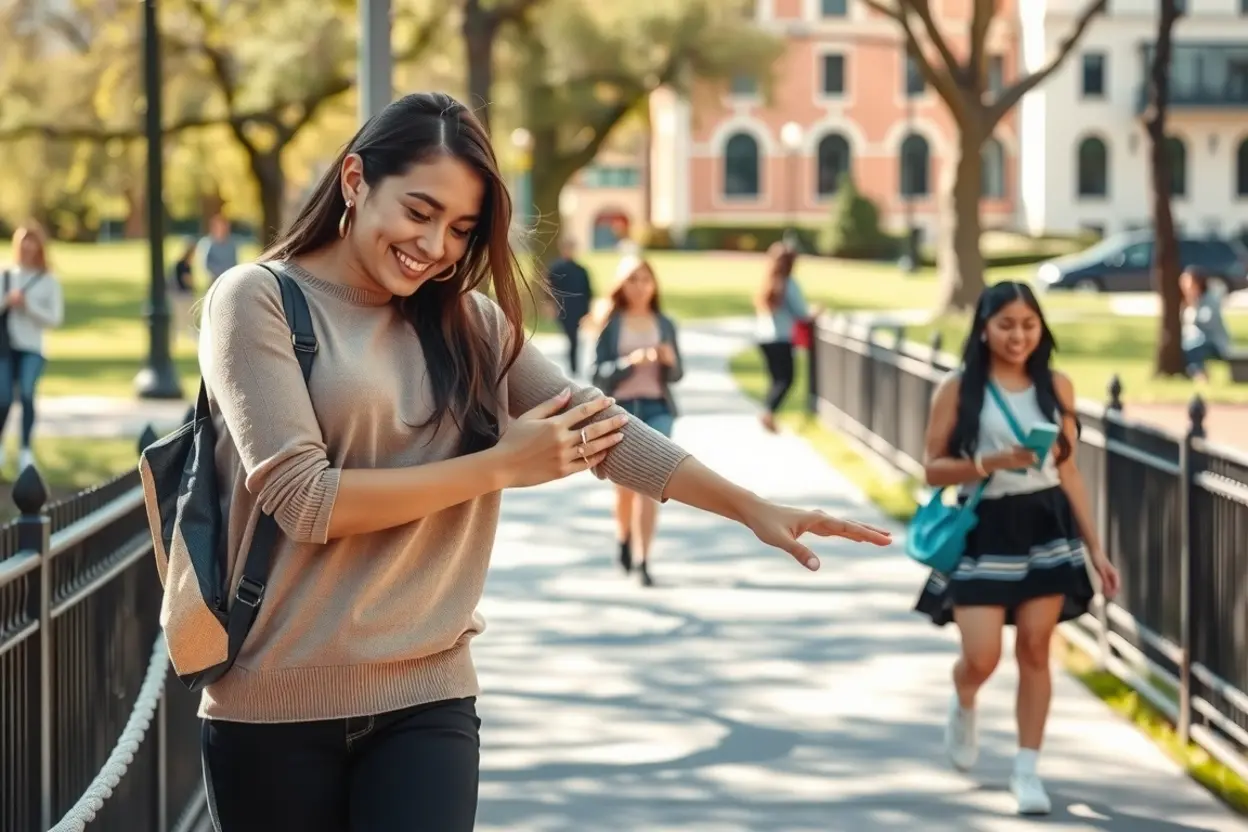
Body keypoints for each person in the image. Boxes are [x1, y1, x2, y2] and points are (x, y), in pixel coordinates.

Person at [193, 92, 891, 832]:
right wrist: (498, 467)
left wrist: (750, 506)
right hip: (275, 703)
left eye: (461, 229)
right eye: (419, 212)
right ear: (357, 179)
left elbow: (604, 429)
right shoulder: (254, 300)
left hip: (427, 693)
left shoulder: (472, 324)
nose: (435, 247)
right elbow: (305, 502)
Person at [914, 281, 1120, 816]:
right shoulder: (958, 389)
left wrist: (1096, 549)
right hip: (984, 525)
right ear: (983, 327)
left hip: (1045, 524)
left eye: (1029, 325)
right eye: (1006, 325)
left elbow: (1069, 470)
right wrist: (989, 463)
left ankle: (1027, 769)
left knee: (1035, 647)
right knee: (981, 657)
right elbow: (932, 467)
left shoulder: (1057, 385)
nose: (1018, 336)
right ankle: (964, 700)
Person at [590, 255, 682, 587]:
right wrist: (630, 362)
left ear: (654, 284)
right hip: (622, 412)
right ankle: (624, 537)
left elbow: (678, 374)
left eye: (645, 279)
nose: (640, 286)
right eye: (632, 280)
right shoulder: (612, 323)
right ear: (622, 285)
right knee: (625, 488)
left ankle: (644, 559)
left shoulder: (665, 323)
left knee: (650, 487)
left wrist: (669, 362)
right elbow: (596, 375)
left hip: (659, 410)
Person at [0, 224, 64, 474]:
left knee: (26, 394)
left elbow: (55, 319)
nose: (27, 246)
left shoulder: (48, 280)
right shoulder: (6, 275)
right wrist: (8, 301)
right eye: (23, 240)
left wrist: (28, 305)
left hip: (32, 348)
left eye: (32, 241)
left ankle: (26, 449)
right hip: (4, 348)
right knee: (3, 398)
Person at [753, 241, 810, 433]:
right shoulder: (788, 283)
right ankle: (768, 412)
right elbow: (801, 313)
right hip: (781, 338)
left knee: (776, 379)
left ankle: (768, 413)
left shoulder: (767, 281)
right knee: (786, 379)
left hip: (764, 337)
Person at [545, 236, 593, 377]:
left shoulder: (581, 270)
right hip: (562, 308)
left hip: (577, 308)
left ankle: (574, 367)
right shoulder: (556, 268)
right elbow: (549, 289)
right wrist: (550, 306)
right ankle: (572, 366)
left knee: (574, 338)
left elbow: (587, 291)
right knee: (571, 337)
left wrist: (587, 310)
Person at [1180, 266, 1232, 382]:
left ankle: (1201, 375)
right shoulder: (1185, 301)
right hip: (1194, 341)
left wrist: (1194, 304)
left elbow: (1206, 320)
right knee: (1189, 347)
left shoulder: (1209, 299)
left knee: (1193, 348)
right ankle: (1197, 373)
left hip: (1214, 342)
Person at [197, 213, 238, 286]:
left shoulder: (231, 244)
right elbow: (206, 264)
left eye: (224, 226)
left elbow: (234, 262)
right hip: (213, 281)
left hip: (229, 280)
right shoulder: (207, 243)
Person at [169, 237, 197, 342]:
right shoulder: (184, 265)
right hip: (183, 295)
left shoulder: (179, 264)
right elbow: (186, 279)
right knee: (188, 319)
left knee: (179, 320)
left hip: (178, 294)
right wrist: (193, 287)